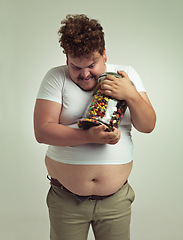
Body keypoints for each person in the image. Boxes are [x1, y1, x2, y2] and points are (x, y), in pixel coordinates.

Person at [34, 14, 156, 240]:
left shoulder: (125, 75)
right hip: (66, 199)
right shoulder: (56, 77)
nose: (84, 74)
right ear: (66, 57)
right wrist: (89, 136)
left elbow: (147, 125)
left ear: (105, 54)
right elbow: (42, 131)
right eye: (75, 66)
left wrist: (130, 93)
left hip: (116, 200)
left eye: (91, 64)